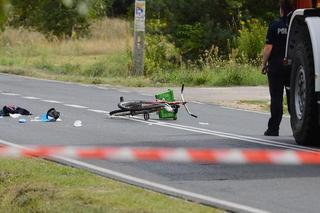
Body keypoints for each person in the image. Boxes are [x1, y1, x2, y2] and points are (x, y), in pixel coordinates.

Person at [262, 0, 294, 136]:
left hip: (276, 65)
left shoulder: (274, 25)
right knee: (293, 96)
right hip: (292, 66)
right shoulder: (296, 25)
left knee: (276, 97)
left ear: (281, 9)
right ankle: (297, 128)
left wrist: (264, 64)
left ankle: (273, 128)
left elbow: (269, 47)